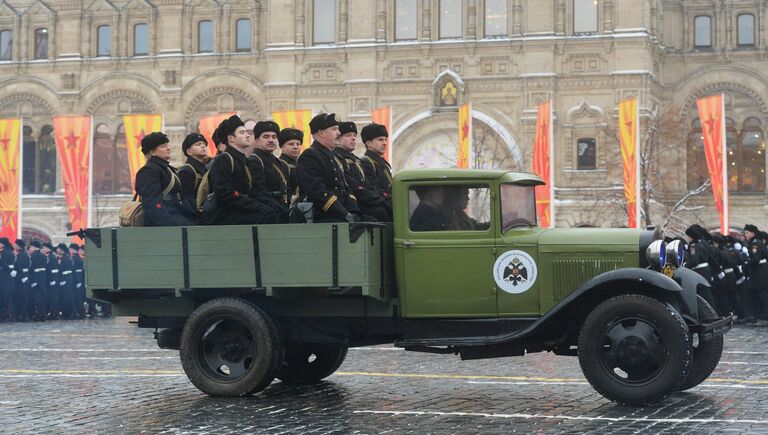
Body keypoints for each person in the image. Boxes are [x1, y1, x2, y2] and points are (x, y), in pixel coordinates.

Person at [205, 115, 278, 225]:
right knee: (265, 217)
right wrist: (256, 206)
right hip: (224, 214)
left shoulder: (244, 160)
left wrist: (271, 205)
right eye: (242, 133)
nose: (248, 135)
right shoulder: (224, 159)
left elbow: (253, 191)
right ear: (231, 138)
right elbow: (226, 193)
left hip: (240, 209)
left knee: (274, 213)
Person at [293, 113, 361, 223]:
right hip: (321, 214)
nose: (339, 133)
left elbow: (345, 188)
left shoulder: (334, 157)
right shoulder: (309, 156)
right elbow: (318, 192)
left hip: (339, 211)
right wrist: (344, 214)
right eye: (334, 129)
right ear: (321, 133)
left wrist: (354, 211)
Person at [135, 132, 197, 226]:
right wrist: (169, 225)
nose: (168, 148)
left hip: (176, 214)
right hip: (165, 223)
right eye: (163, 146)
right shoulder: (149, 170)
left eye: (167, 145)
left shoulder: (165, 168)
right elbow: (153, 203)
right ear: (152, 152)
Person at [333, 122, 388, 222]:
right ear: (338, 138)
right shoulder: (337, 159)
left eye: (354, 135)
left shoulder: (357, 160)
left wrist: (382, 199)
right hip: (353, 205)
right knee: (380, 213)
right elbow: (353, 186)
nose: (353, 138)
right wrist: (380, 201)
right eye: (348, 135)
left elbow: (368, 185)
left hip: (366, 201)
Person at [248, 121, 290, 222]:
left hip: (281, 211)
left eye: (274, 137)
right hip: (268, 215)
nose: (271, 140)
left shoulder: (280, 163)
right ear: (257, 140)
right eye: (266, 137)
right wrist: (278, 208)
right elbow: (258, 193)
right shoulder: (254, 161)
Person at [360, 123, 393, 221]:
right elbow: (375, 190)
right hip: (384, 209)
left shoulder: (381, 162)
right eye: (380, 139)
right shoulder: (367, 162)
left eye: (385, 139)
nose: (385, 143)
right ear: (369, 143)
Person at [684, 224, 720, 312]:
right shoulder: (704, 244)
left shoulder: (694, 246)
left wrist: (685, 265)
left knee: (703, 296)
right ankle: (713, 313)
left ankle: (710, 315)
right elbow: (711, 258)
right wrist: (718, 271)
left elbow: (694, 261)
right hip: (706, 271)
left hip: (700, 272)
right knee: (707, 295)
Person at [178, 132, 209, 213]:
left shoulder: (206, 169)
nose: (203, 146)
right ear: (189, 152)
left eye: (204, 144)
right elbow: (186, 201)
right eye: (198, 144)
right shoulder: (186, 171)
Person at [744, 224, 768, 320]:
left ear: (753, 233)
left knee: (763, 294)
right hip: (760, 271)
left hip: (760, 272)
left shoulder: (755, 244)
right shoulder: (756, 242)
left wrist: (746, 265)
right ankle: (759, 314)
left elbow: (755, 259)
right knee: (761, 294)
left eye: (747, 232)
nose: (745, 235)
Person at [55, 243, 79, 319]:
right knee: (65, 297)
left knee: (69, 297)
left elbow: (67, 271)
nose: (57, 250)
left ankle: (73, 313)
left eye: (58, 249)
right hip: (65, 280)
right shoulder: (64, 258)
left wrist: (64, 280)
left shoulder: (66, 258)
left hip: (67, 281)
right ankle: (67, 313)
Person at [278, 127, 302, 196]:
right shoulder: (280, 166)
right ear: (282, 147)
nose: (295, 147)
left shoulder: (301, 165)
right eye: (291, 144)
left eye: (298, 144)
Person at [28, 241, 48, 321]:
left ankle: (39, 315)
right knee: (42, 297)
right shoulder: (43, 256)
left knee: (37, 298)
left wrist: (33, 281)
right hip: (43, 278)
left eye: (31, 247)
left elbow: (31, 268)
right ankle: (43, 314)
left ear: (34, 247)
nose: (30, 249)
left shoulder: (33, 256)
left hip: (35, 278)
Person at [13, 239, 30, 321]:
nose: (14, 246)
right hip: (19, 278)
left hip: (22, 278)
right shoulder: (19, 255)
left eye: (15, 244)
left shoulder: (23, 255)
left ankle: (24, 315)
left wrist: (24, 276)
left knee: (23, 298)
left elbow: (21, 267)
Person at [41, 242, 59, 319]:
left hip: (52, 280)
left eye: (44, 248)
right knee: (49, 297)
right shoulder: (46, 257)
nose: (43, 249)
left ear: (48, 249)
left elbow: (54, 270)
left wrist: (53, 280)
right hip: (47, 280)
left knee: (53, 298)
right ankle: (50, 312)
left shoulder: (51, 257)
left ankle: (55, 313)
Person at [0, 238, 15, 321]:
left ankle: (5, 316)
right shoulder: (10, 251)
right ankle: (10, 316)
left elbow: (4, 264)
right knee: (8, 298)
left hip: (4, 277)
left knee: (4, 298)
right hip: (9, 277)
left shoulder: (4, 252)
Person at [70, 243, 86, 318]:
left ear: (73, 250)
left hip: (78, 281)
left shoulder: (75, 258)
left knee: (78, 299)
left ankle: (81, 313)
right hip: (77, 280)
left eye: (71, 249)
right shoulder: (76, 258)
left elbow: (78, 272)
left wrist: (78, 282)